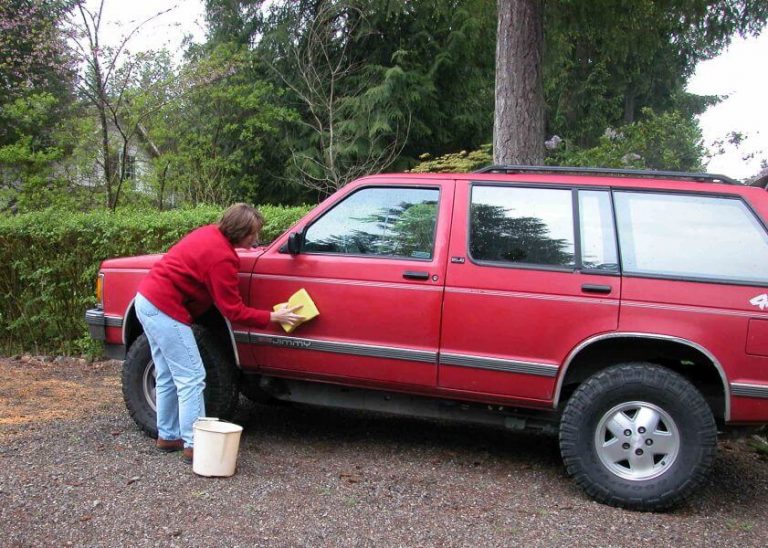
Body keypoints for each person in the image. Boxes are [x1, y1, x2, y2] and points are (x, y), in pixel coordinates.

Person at [134, 203, 303, 464]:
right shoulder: (221, 258)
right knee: (192, 376)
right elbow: (233, 311)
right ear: (239, 232)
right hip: (164, 308)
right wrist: (273, 317)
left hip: (146, 301)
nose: (256, 239)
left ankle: (168, 435)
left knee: (167, 372)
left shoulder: (210, 233)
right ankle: (194, 444)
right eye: (252, 234)